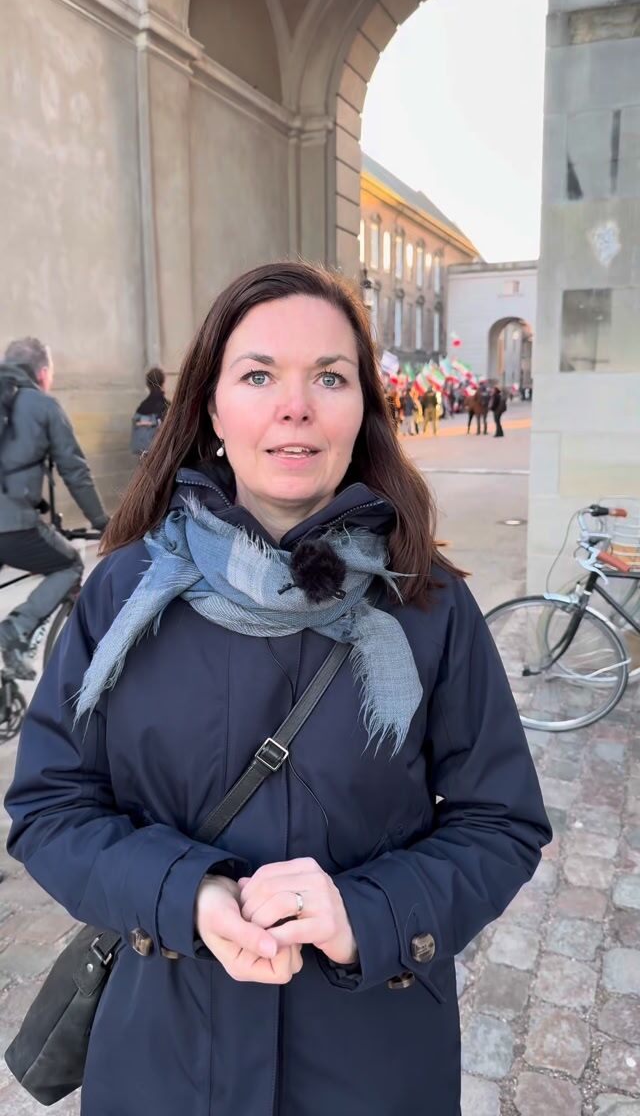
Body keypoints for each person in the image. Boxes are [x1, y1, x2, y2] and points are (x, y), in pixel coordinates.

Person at [5, 263, 550, 1116]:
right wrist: (184, 894)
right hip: (164, 1058)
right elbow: (50, 806)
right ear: (212, 410)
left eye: (329, 378)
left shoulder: (428, 604)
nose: (295, 407)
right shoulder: (121, 594)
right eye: (258, 376)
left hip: (371, 1064)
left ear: (362, 410)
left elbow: (501, 822)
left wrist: (363, 915)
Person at [0, 338, 108, 679]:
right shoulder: (43, 406)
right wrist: (102, 522)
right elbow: (75, 472)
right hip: (13, 527)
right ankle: (16, 630)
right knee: (70, 563)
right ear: (43, 373)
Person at [130, 366, 171, 457]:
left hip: (143, 455)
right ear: (162, 383)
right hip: (160, 456)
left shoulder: (142, 407)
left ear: (148, 385)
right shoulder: (166, 406)